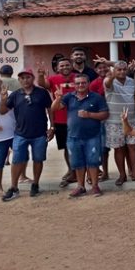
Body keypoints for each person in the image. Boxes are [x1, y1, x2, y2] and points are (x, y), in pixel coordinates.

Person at [0, 68, 54, 202]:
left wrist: (52, 127)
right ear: (19, 80)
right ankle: (13, 187)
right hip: (20, 134)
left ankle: (35, 184)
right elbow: (2, 111)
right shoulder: (15, 95)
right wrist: (3, 100)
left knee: (38, 159)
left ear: (32, 78)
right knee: (17, 160)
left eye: (28, 77)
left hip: (40, 134)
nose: (25, 80)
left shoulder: (42, 93)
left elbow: (50, 109)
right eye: (22, 78)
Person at [51, 74, 109, 197]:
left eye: (83, 83)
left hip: (92, 136)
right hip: (73, 137)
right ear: (74, 85)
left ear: (88, 83)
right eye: (78, 83)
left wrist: (89, 115)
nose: (80, 85)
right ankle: (80, 187)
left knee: (93, 162)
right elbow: (54, 109)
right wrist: (57, 98)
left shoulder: (97, 98)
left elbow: (105, 114)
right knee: (78, 163)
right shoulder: (68, 97)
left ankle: (95, 186)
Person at [37, 57, 76, 187]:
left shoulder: (79, 77)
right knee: (66, 147)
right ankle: (71, 170)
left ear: (71, 66)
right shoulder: (53, 79)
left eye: (67, 65)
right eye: (62, 66)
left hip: (78, 119)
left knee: (78, 146)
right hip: (60, 119)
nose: (65, 67)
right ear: (57, 68)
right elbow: (43, 84)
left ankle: (79, 171)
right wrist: (41, 75)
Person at [104, 61, 135, 186]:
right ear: (114, 70)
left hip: (132, 120)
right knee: (119, 149)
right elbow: (108, 84)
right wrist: (112, 75)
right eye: (118, 70)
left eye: (124, 69)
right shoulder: (109, 80)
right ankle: (122, 175)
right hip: (114, 122)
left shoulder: (132, 81)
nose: (122, 72)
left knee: (133, 147)